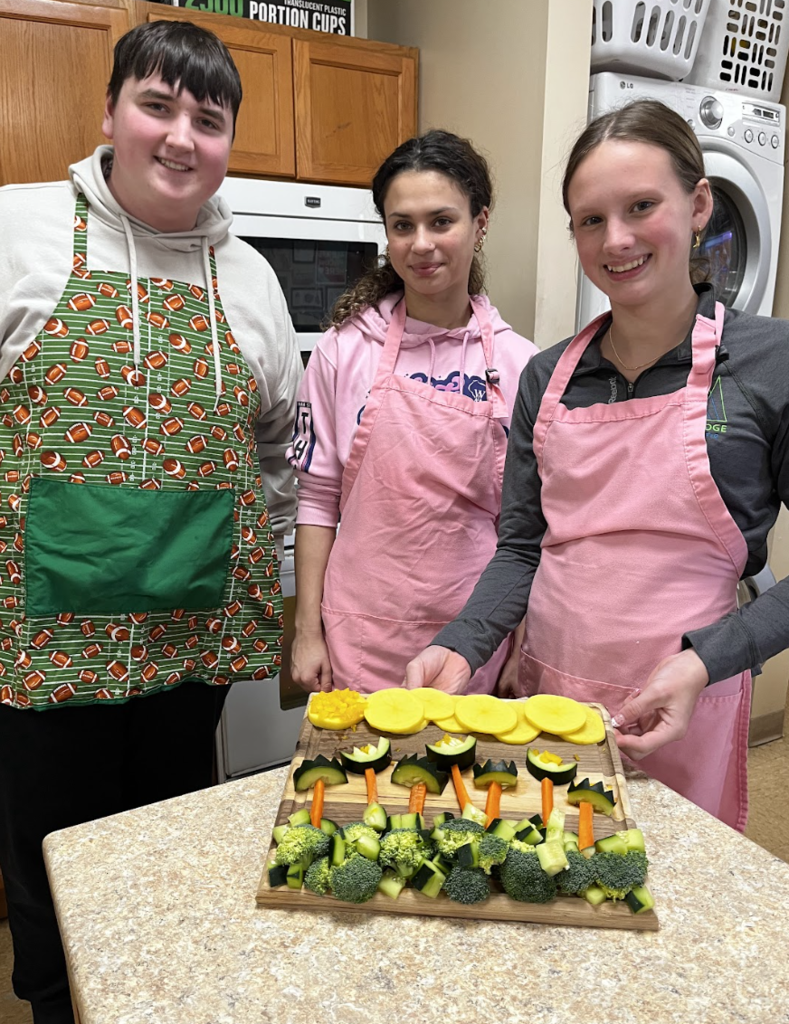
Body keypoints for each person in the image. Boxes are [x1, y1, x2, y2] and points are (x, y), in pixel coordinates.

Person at [0, 21, 301, 1024]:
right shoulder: (19, 231)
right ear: (110, 114)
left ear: (228, 143)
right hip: (46, 636)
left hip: (191, 633)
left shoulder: (250, 279)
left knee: (165, 851)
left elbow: (273, 457)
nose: (181, 137)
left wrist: (290, 588)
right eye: (157, 105)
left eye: (208, 120)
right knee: (50, 856)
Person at [405, 99, 789, 833]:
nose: (615, 239)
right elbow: (521, 547)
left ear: (698, 204)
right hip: (548, 696)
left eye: (641, 206)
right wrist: (460, 646)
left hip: (685, 696)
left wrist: (708, 660)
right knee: (545, 876)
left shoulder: (770, 366)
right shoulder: (545, 378)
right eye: (589, 219)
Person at [288, 130, 538, 695]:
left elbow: (525, 530)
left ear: (481, 223)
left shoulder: (523, 366)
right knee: (363, 783)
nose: (421, 243)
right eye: (403, 225)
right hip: (361, 634)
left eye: (441, 221)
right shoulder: (342, 350)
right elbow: (317, 497)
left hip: (477, 637)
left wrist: (522, 638)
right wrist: (307, 631)